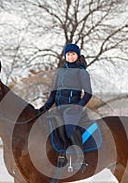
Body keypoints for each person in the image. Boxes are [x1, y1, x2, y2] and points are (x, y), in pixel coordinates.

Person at [39, 43, 92, 171]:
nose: (70, 56)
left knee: (68, 125)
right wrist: (45, 106)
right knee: (54, 124)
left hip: (73, 107)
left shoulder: (82, 72)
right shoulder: (60, 71)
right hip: (59, 107)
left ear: (77, 55)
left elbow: (88, 93)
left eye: (73, 54)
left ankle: (80, 158)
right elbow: (53, 92)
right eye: (68, 54)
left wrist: (79, 106)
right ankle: (62, 152)